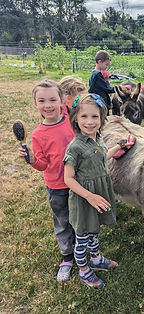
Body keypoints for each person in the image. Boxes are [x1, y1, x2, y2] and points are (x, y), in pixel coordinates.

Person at [63, 93, 134, 289]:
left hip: (100, 192)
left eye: (95, 116)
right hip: (85, 198)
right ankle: (84, 270)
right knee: (82, 238)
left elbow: (101, 155)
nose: (89, 122)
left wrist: (119, 147)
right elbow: (67, 178)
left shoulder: (99, 138)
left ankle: (95, 259)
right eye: (84, 116)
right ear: (75, 118)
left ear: (102, 118)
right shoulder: (75, 147)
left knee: (95, 230)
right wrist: (90, 196)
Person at [18, 79, 78, 282]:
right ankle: (67, 257)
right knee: (63, 222)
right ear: (35, 104)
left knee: (80, 219)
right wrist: (33, 160)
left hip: (78, 183)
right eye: (42, 101)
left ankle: (82, 249)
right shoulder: (37, 134)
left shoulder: (72, 121)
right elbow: (42, 164)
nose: (48, 105)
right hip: (57, 186)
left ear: (63, 100)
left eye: (53, 99)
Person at [88, 50, 127, 114]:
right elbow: (107, 89)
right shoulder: (97, 75)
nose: (107, 66)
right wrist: (120, 88)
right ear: (99, 62)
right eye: (106, 64)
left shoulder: (94, 73)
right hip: (100, 103)